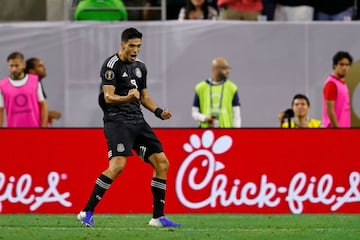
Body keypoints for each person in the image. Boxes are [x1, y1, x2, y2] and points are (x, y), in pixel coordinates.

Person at [77, 27, 181, 228]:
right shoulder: (111, 65)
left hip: (137, 121)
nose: (135, 50)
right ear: (122, 44)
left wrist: (158, 111)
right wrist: (126, 97)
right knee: (117, 166)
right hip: (117, 121)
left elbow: (144, 96)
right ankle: (86, 211)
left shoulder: (140, 67)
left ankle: (157, 218)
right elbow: (108, 97)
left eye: (139, 46)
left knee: (162, 163)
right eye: (132, 45)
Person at [0, 52, 48, 128]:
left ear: (23, 65)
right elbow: (1, 111)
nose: (14, 69)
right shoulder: (2, 85)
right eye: (11, 66)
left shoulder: (35, 81)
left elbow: (43, 105)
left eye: (16, 66)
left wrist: (43, 127)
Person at [192, 57, 241, 128]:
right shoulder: (200, 88)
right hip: (205, 133)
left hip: (226, 134)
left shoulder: (232, 88)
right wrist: (205, 118)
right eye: (224, 68)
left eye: (228, 68)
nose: (228, 71)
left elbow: (236, 115)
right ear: (215, 69)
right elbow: (194, 113)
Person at [25, 57, 62, 126]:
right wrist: (48, 114)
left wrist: (47, 115)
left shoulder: (36, 83)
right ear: (31, 71)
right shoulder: (29, 86)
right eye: (40, 66)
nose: (45, 68)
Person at [322, 51, 353, 128]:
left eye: (347, 65)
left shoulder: (342, 83)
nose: (344, 68)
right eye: (341, 64)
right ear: (335, 65)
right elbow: (330, 110)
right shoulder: (331, 84)